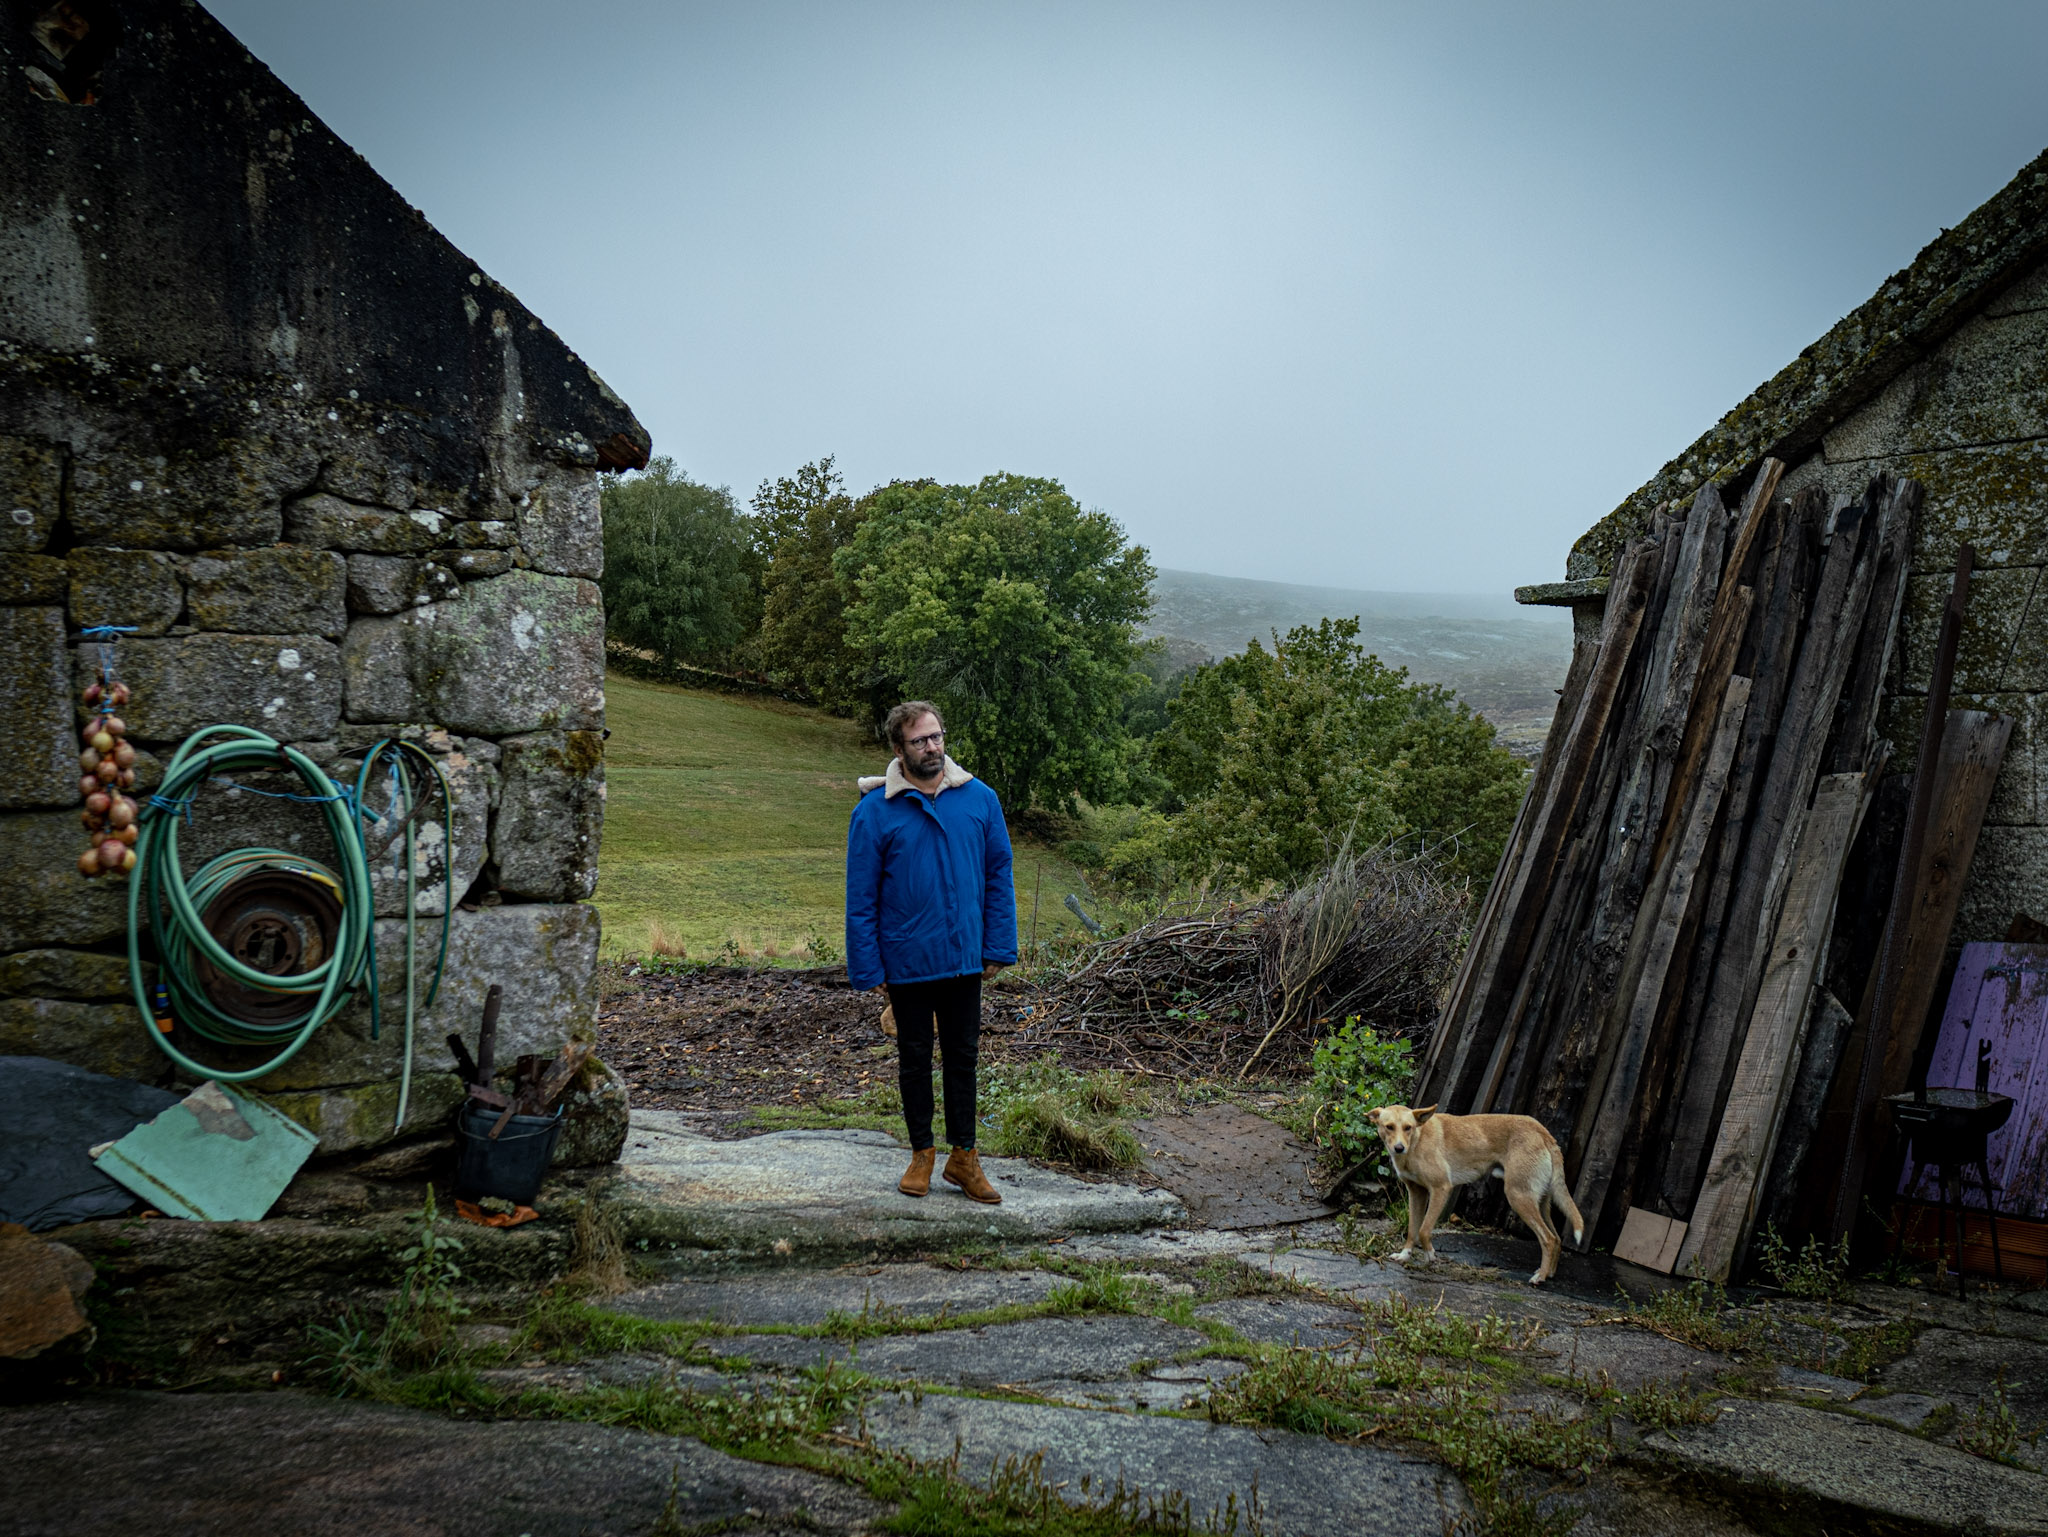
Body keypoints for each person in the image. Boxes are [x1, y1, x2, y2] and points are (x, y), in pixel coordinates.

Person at [845, 700, 1018, 1203]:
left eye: (937, 736)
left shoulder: (979, 799)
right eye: (921, 740)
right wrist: (870, 967)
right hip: (907, 961)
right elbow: (862, 897)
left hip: (964, 957)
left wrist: (997, 946)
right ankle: (922, 1154)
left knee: (963, 1059)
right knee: (915, 1059)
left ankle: (964, 1157)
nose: (933, 747)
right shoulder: (874, 812)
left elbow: (997, 875)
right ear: (898, 749)